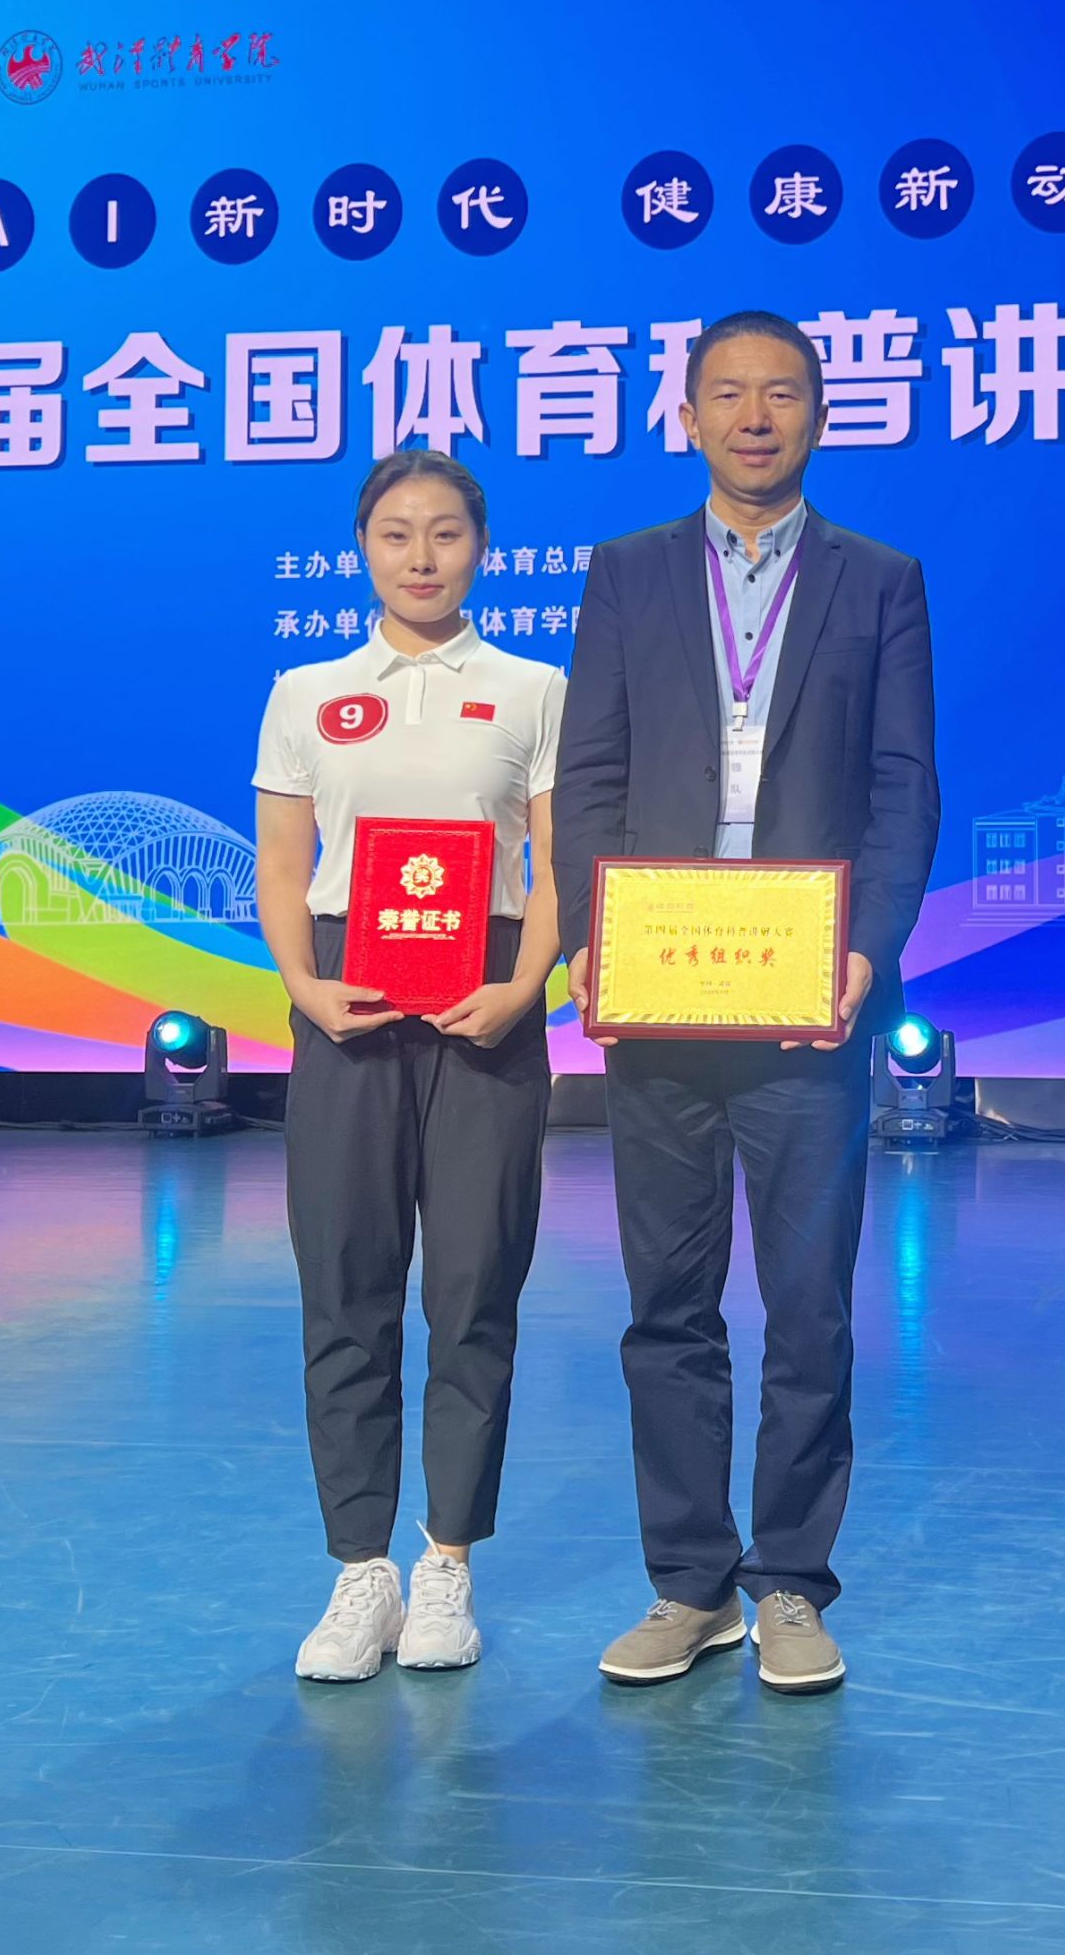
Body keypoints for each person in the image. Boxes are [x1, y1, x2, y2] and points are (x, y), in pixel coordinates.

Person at [553, 309, 939, 1694]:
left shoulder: (878, 578)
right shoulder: (627, 570)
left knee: (809, 1302)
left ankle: (790, 1583)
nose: (755, 416)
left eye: (781, 393)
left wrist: (866, 948)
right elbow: (589, 771)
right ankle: (688, 1581)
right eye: (728, 393)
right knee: (667, 1301)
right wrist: (592, 931)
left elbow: (902, 783)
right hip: (659, 986)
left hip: (803, 995)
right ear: (689, 415)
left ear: (820, 414)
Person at [255, 452, 564, 1683]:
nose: (420, 555)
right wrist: (303, 983)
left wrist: (524, 984)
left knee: (475, 1284)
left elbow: (555, 864)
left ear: (480, 547)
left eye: (444, 532)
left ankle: (446, 1561)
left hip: (486, 998)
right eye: (395, 532)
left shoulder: (533, 688)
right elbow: (284, 865)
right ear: (361, 547)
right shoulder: (306, 691)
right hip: (349, 1005)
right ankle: (357, 1568)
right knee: (345, 1285)